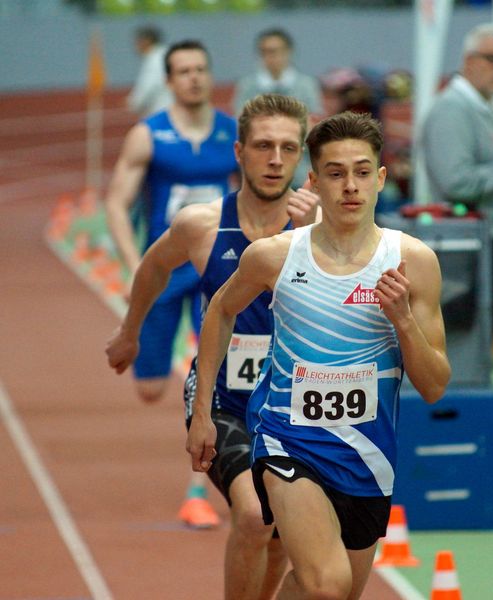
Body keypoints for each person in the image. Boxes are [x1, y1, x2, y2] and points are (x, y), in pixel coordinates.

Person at [187, 111, 450, 599]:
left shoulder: (413, 262)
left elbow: (434, 385)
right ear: (314, 180)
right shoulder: (276, 255)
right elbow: (220, 311)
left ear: (381, 179)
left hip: (368, 455)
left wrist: (404, 321)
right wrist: (202, 413)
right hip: (288, 442)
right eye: (335, 173)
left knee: (335, 591)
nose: (350, 186)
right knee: (326, 585)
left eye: (362, 172)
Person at [106, 93, 320, 599]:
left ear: (301, 157)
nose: (275, 159)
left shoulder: (322, 230)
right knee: (252, 515)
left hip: (294, 402)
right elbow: (154, 268)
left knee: (279, 534)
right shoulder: (201, 225)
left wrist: (312, 234)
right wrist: (129, 332)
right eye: (264, 146)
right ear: (239, 152)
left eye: (289, 148)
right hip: (224, 398)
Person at [105, 39, 239, 528]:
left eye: (201, 69)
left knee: (212, 372)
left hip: (216, 272)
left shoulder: (234, 134)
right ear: (168, 80)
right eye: (184, 71)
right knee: (149, 387)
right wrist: (133, 262)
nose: (195, 78)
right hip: (163, 270)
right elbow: (117, 202)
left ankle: (202, 484)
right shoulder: (149, 136)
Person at [421, 23, 493, 331]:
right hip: (478, 251)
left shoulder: (474, 107)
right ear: (469, 60)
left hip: (492, 245)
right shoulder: (453, 110)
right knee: (469, 346)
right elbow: (457, 181)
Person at [234, 28, 322, 188]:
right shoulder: (247, 87)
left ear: (289, 52)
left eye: (275, 51)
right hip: (260, 170)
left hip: (300, 171)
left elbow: (314, 128)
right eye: (265, 52)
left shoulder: (306, 86)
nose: (271, 57)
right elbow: (242, 127)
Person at [127, 26, 173, 118]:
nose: (135, 46)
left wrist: (134, 103)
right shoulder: (167, 54)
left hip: (161, 111)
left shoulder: (154, 59)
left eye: (137, 42)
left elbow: (148, 85)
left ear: (146, 41)